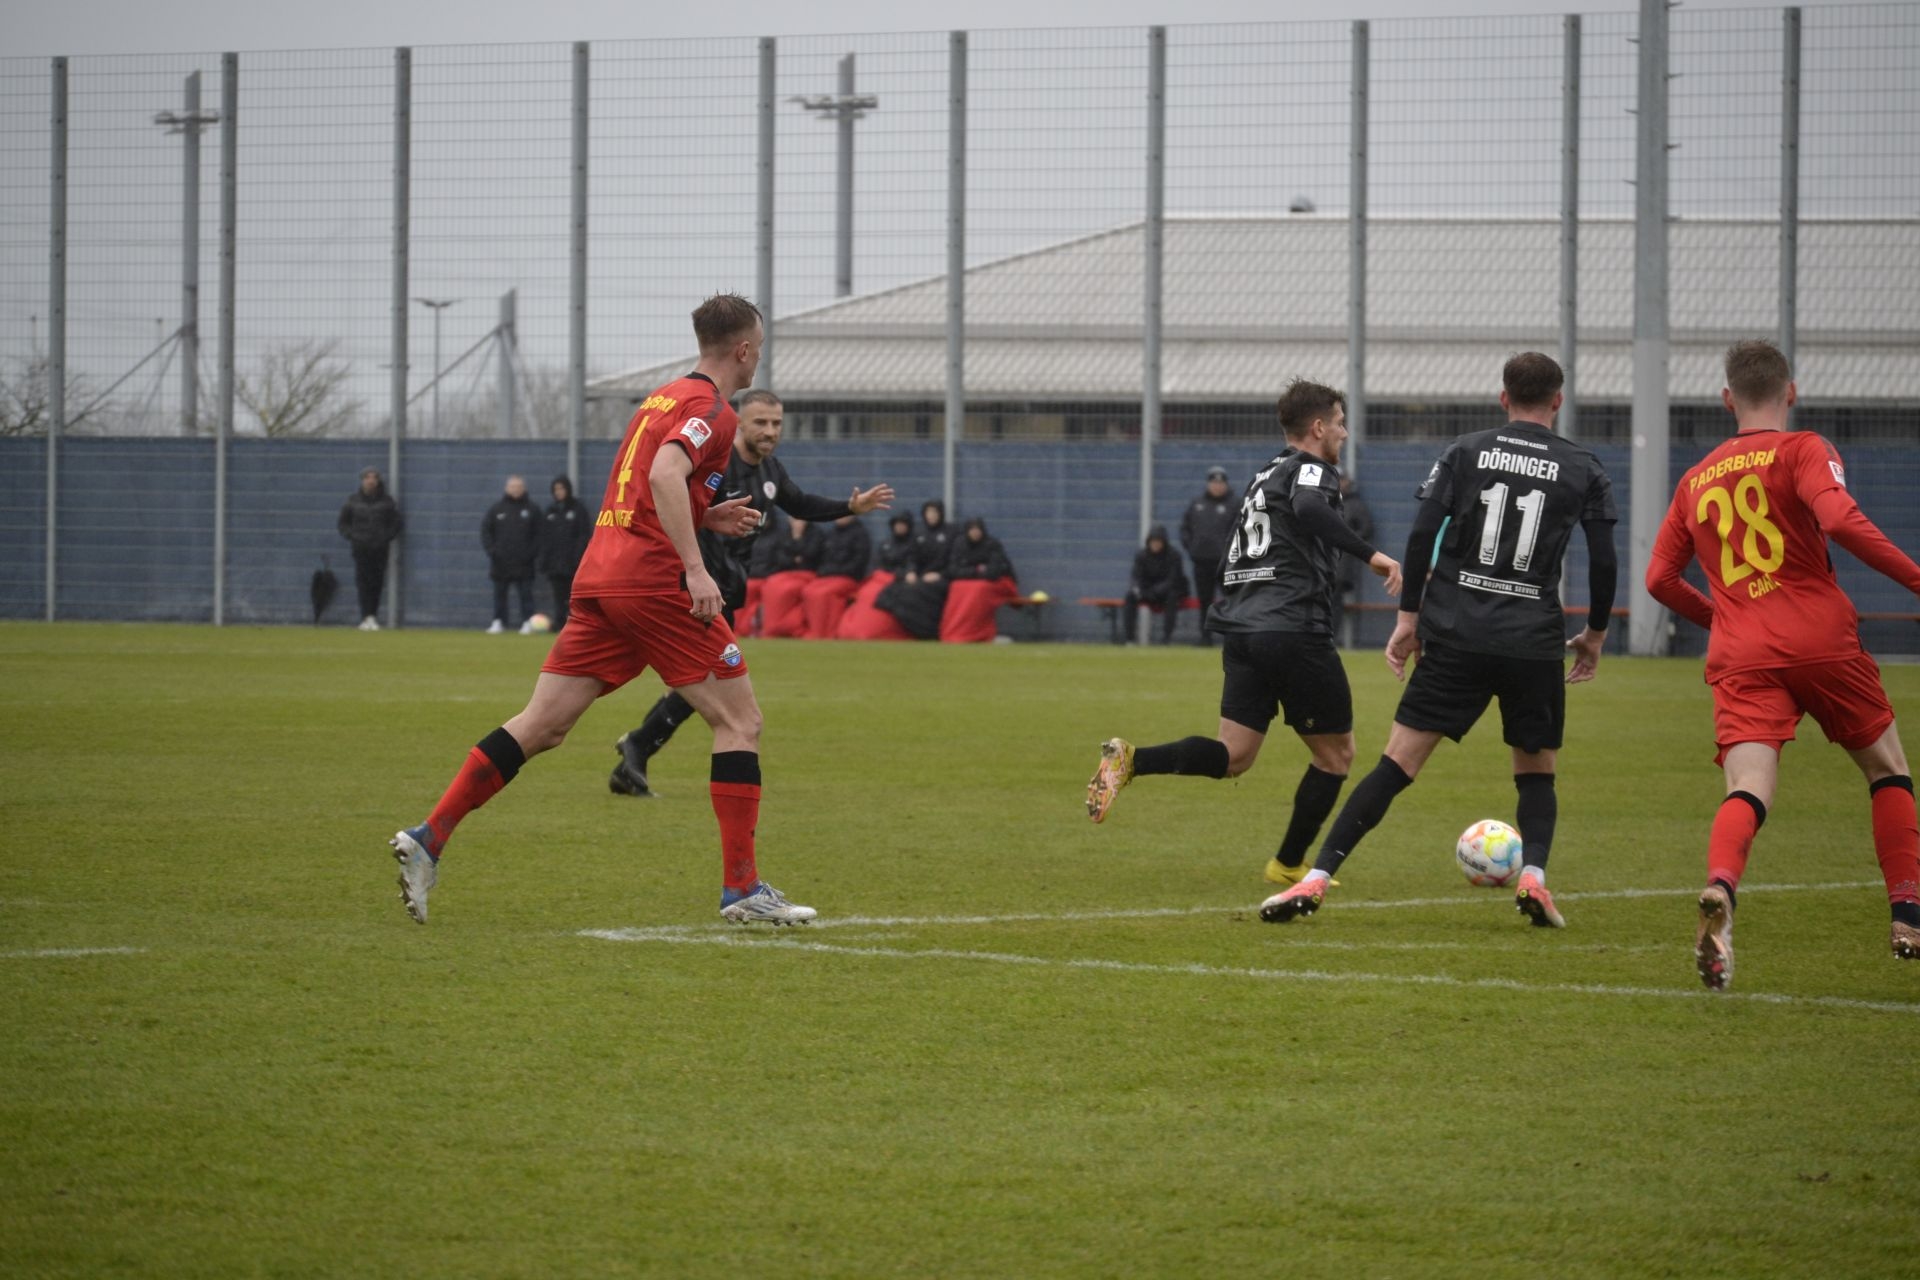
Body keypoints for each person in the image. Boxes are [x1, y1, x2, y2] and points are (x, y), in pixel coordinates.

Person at [388, 294, 816, 926]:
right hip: (651, 583)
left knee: (542, 725)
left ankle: (429, 837)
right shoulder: (714, 411)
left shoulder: (662, 397)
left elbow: (648, 485)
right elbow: (665, 476)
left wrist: (706, 516)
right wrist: (696, 567)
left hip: (602, 576)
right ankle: (743, 889)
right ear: (745, 349)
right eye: (760, 347)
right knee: (740, 721)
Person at [1259, 352, 1616, 929]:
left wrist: (1408, 618)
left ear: (1503, 397)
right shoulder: (1584, 466)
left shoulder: (1465, 452)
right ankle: (1534, 877)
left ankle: (1317, 877)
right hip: (1533, 641)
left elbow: (1423, 532)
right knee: (1536, 772)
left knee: (1395, 764)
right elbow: (1603, 559)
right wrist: (1595, 633)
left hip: (1457, 633)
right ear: (1558, 400)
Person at [1644, 339, 1920, 987]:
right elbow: (1840, 521)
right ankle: (1907, 917)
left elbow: (1658, 580)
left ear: (1726, 399)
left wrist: (1724, 619)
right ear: (1790, 392)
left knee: (1748, 787)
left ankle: (1721, 886)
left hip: (1743, 653)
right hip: (1821, 640)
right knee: (1888, 770)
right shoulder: (1803, 449)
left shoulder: (1695, 478)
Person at [1085, 380, 1403, 889]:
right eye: (1340, 423)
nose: (1344, 433)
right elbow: (1310, 509)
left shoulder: (1264, 474)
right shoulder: (1312, 469)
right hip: (1291, 626)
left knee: (1234, 755)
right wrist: (1373, 555)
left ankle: (1133, 760)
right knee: (1336, 755)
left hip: (1242, 627)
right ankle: (1288, 864)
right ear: (1317, 427)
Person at [608, 387, 893, 797]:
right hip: (696, 588)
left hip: (727, 590)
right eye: (760, 422)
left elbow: (800, 503)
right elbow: (672, 500)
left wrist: (850, 507)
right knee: (712, 678)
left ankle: (635, 752)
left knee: (697, 681)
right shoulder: (717, 463)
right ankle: (638, 747)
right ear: (740, 422)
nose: (770, 430)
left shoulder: (770, 470)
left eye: (776, 423)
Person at [337, 467, 402, 630]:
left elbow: (396, 523)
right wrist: (353, 536)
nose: (371, 481)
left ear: (378, 481)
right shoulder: (352, 501)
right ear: (362, 480)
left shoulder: (387, 502)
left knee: (376, 582)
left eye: (374, 478)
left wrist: (385, 537)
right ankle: (365, 616)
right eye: (367, 478)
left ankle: (372, 616)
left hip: (380, 548)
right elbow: (343, 523)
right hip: (361, 548)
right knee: (362, 582)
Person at [1180, 466, 1236, 646]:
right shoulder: (1197, 504)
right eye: (1214, 482)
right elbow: (1185, 529)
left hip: (1226, 564)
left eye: (1220, 483)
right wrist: (1192, 548)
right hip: (1202, 562)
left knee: (1231, 600)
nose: (1217, 486)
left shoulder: (1235, 504)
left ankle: (1232, 637)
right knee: (1205, 601)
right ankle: (1205, 637)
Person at [482, 475, 540, 634]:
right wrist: (493, 551)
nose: (515, 489)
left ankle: (527, 622)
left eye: (518, 486)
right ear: (507, 488)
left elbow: (540, 534)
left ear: (524, 488)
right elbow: (486, 531)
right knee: (499, 595)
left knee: (526, 594)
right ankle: (498, 621)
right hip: (501, 562)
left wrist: (531, 553)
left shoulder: (532, 509)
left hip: (524, 562)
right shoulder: (497, 509)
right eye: (512, 486)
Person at [1122, 524, 1191, 645]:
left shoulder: (1174, 556)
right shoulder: (1141, 556)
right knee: (1130, 597)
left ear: (1164, 542)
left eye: (1158, 541)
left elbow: (1173, 579)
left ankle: (1166, 638)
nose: (1156, 544)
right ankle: (1129, 639)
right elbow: (1135, 577)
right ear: (1148, 542)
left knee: (1172, 597)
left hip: (1167, 593)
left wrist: (1156, 590)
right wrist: (1138, 589)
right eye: (1153, 541)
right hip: (1147, 592)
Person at [539, 475, 592, 630]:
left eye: (561, 488)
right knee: (557, 595)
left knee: (573, 596)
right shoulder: (550, 511)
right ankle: (559, 622)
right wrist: (544, 560)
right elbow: (544, 537)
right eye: (556, 489)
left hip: (573, 563)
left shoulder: (578, 509)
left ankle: (574, 623)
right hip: (555, 564)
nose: (559, 492)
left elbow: (584, 535)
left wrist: (577, 557)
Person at [1335, 474, 1375, 647]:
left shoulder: (1354, 505)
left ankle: (1331, 638)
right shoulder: (1327, 503)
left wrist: (1346, 540)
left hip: (1341, 565)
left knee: (1334, 601)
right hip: (1325, 564)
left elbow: (1367, 529)